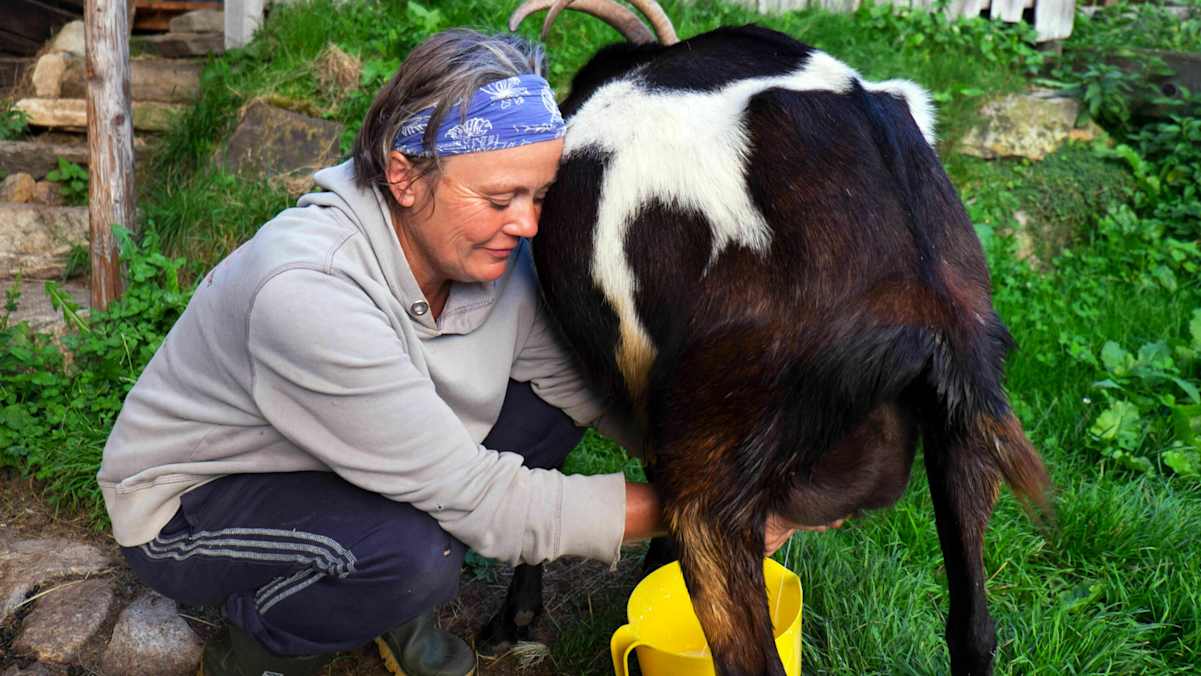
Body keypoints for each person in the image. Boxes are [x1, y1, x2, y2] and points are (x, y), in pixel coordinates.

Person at [98, 27, 811, 676]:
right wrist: (704, 511)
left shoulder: (480, 257)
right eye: (501, 198)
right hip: (196, 503)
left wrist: (725, 467)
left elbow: (579, 387)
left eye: (538, 195)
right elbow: (478, 498)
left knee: (545, 415)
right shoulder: (306, 290)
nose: (527, 224)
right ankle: (259, 646)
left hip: (356, 450)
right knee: (413, 557)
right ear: (404, 176)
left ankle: (381, 597)